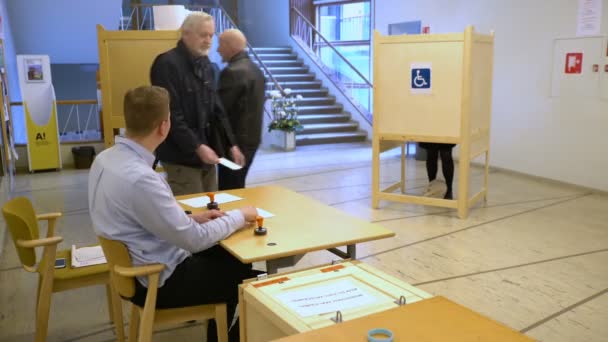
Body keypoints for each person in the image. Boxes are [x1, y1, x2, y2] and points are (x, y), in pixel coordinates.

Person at [89, 86, 259, 342]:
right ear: (164, 126)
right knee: (251, 282)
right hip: (156, 282)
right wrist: (239, 215)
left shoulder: (105, 159)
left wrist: (192, 218)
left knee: (232, 259)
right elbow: (193, 240)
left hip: (134, 270)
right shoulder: (142, 178)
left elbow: (139, 217)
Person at [150, 12, 245, 195]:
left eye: (211, 35)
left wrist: (231, 144)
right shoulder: (166, 64)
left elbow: (217, 110)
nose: (209, 40)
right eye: (203, 35)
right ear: (186, 33)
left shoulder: (206, 65)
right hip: (181, 157)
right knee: (192, 212)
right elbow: (171, 114)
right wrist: (196, 146)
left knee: (211, 206)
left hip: (207, 155)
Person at [216, 29, 266, 190]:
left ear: (230, 47)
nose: (217, 49)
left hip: (235, 145)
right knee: (237, 185)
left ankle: (235, 215)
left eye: (220, 45)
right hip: (251, 140)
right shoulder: (255, 70)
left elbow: (221, 112)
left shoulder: (232, 72)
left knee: (229, 189)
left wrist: (230, 144)